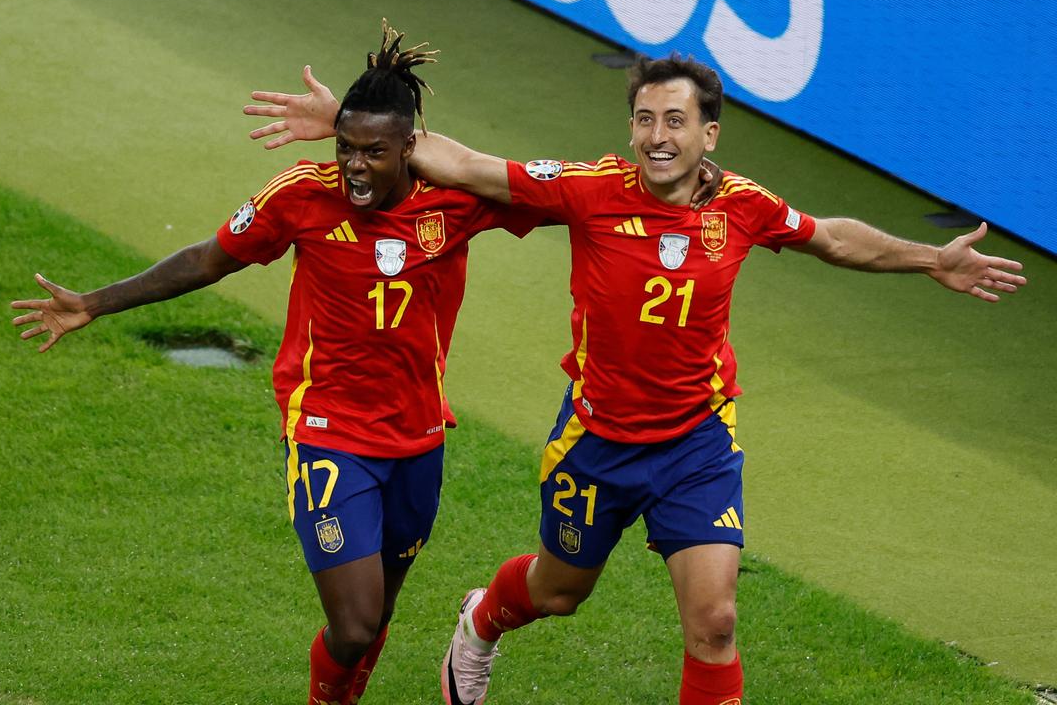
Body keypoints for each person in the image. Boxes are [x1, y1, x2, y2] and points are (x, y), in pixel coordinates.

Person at [245, 53, 1027, 705]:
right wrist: (351, 127)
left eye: (676, 122)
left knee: (715, 620)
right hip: (598, 443)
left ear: (708, 132)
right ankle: (483, 621)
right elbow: (466, 164)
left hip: (697, 441)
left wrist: (932, 259)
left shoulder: (744, 207)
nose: (658, 137)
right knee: (557, 593)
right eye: (646, 120)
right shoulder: (589, 189)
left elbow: (832, 239)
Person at [11, 22, 564, 705]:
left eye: (373, 152)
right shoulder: (302, 195)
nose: (354, 166)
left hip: (418, 437)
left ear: (411, 152)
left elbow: (562, 197)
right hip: (329, 433)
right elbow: (207, 260)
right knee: (356, 622)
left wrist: (671, 189)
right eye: (345, 148)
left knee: (379, 615)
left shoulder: (454, 203)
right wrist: (94, 303)